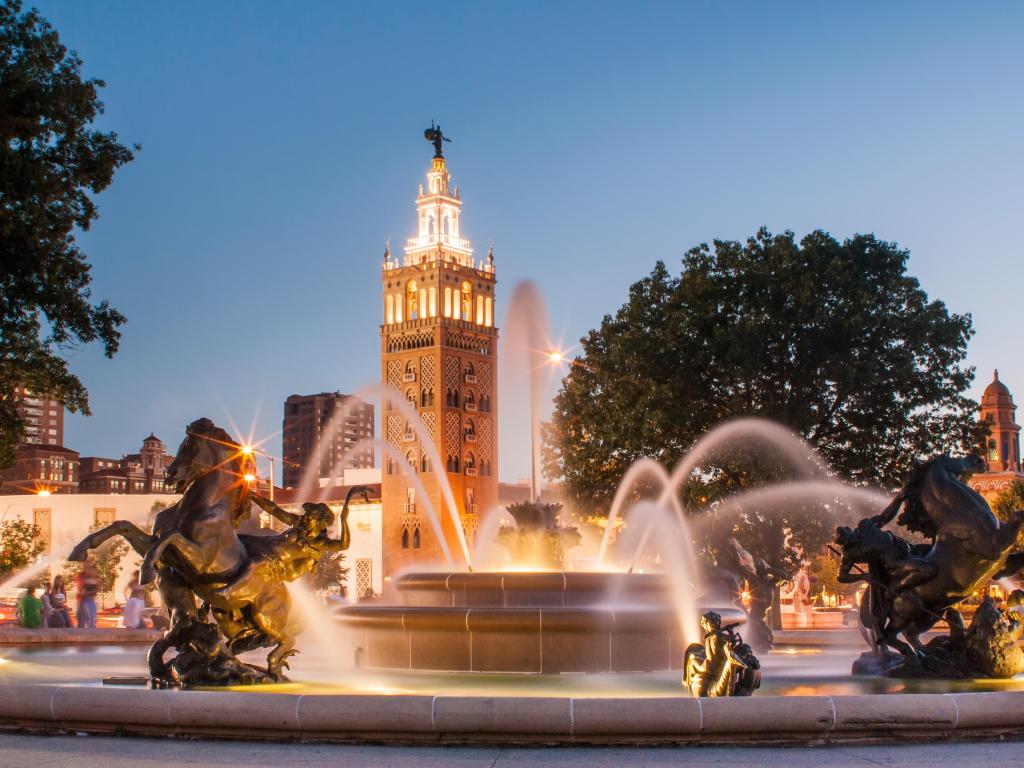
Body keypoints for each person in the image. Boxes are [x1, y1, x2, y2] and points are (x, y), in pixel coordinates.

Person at [76, 560, 99, 628]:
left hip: (89, 600)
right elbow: (82, 591)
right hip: (83, 600)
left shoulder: (94, 579)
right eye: (85, 565)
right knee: (82, 620)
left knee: (90, 619)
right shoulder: (82, 576)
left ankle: (90, 632)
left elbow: (95, 591)